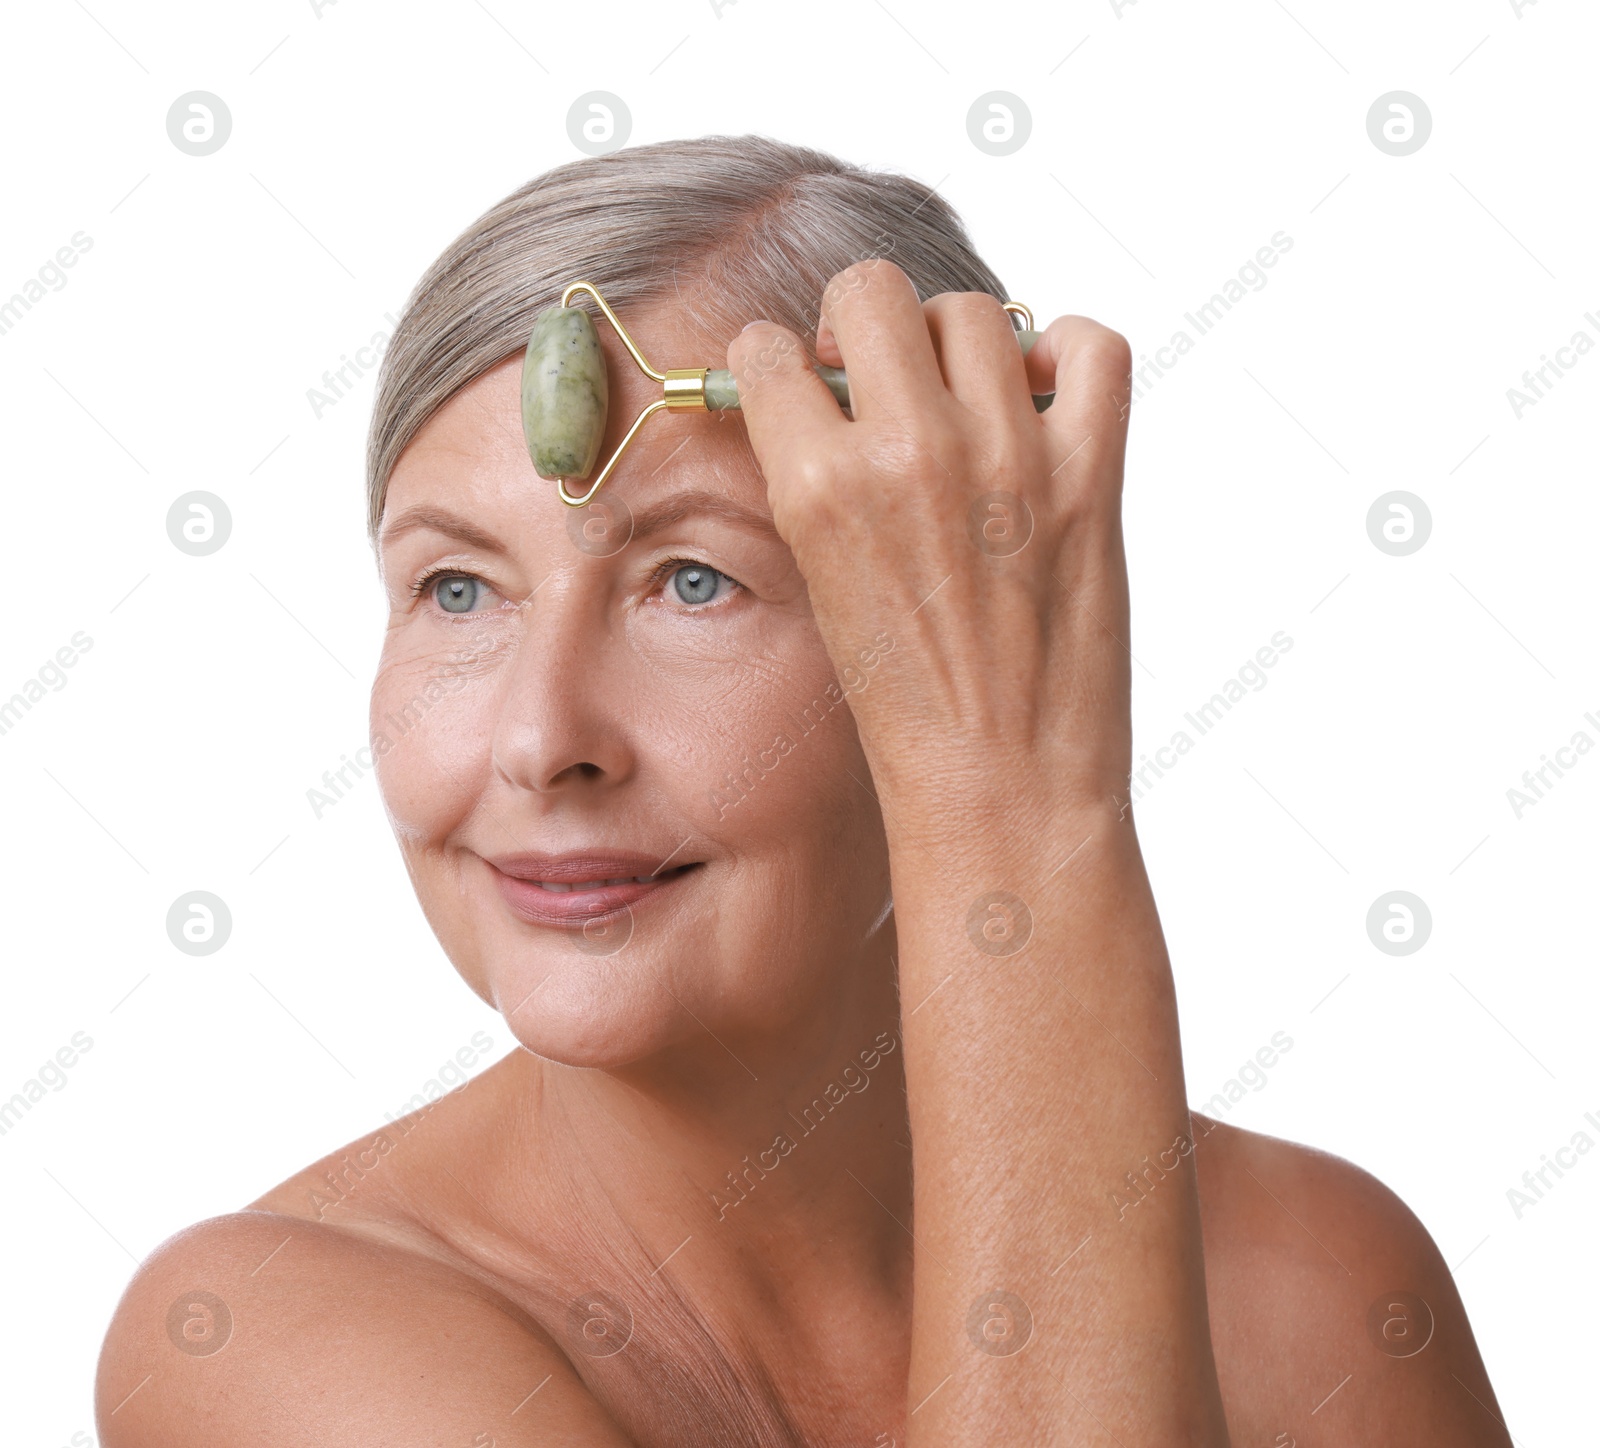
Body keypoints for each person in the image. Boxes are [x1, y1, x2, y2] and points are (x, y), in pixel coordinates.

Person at [95, 134, 1509, 1447]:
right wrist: (1017, 807)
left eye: (693, 582)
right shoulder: (263, 1341)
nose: (539, 739)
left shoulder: (1320, 1291)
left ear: (971, 614)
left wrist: (1010, 782)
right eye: (456, 588)